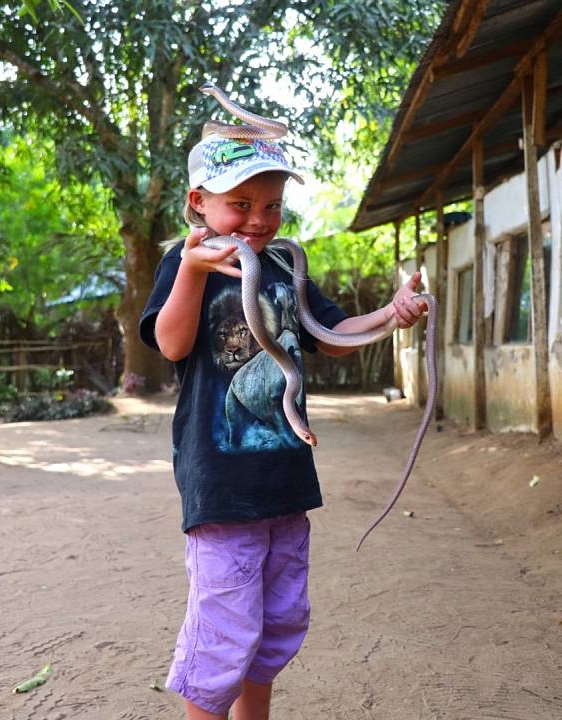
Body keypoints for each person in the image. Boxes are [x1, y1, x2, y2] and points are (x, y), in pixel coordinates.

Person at [139, 133, 426, 720]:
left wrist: (392, 315)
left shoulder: (282, 263)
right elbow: (170, 344)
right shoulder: (185, 260)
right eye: (240, 205)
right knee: (224, 635)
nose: (258, 219)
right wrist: (193, 270)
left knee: (275, 629)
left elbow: (334, 334)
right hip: (221, 484)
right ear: (199, 201)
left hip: (285, 481)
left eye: (271, 205)